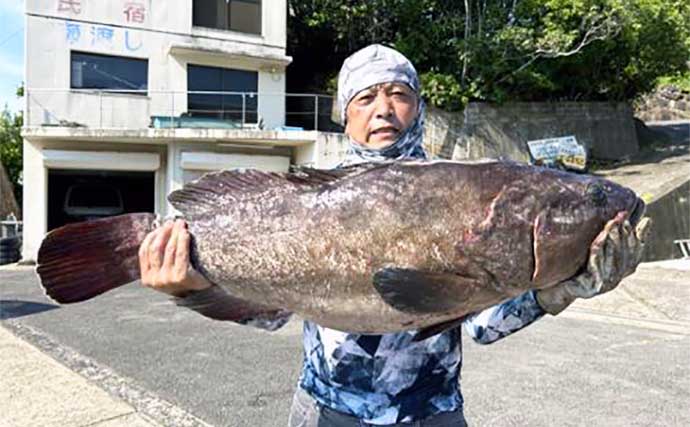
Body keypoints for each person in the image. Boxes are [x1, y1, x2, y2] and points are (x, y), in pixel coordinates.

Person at [138, 44, 648, 426]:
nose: (383, 108)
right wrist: (193, 287)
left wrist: (556, 291)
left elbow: (482, 327)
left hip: (432, 414)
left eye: (399, 94)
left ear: (419, 107)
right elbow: (272, 314)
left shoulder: (472, 188)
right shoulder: (305, 194)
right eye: (365, 97)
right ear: (345, 114)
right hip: (323, 412)